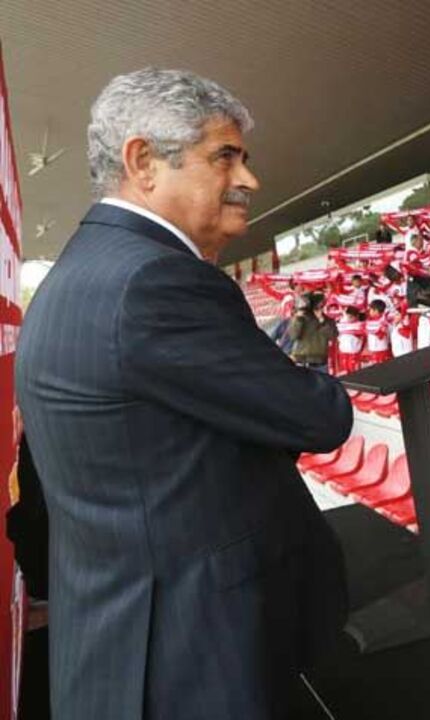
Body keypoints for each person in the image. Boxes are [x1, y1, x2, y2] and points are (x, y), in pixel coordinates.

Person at [14, 68, 354, 720]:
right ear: (142, 162)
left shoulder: (80, 274)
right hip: (192, 652)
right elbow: (318, 414)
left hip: (120, 640)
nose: (249, 179)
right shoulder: (157, 283)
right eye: (224, 155)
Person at [290, 292, 337, 372]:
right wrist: (298, 319)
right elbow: (293, 336)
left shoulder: (328, 321)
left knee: (321, 384)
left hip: (319, 361)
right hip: (301, 359)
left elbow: (332, 336)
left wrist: (322, 321)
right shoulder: (301, 319)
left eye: (321, 306)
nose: (320, 308)